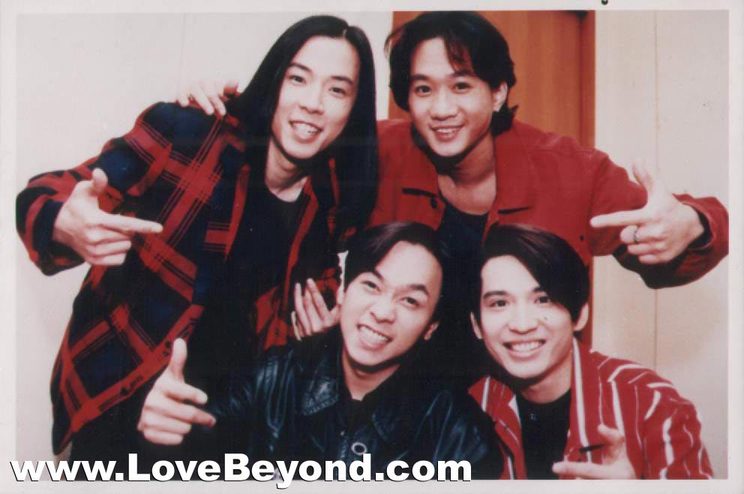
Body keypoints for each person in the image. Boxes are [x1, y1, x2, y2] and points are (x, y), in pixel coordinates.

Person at [182, 11, 728, 382]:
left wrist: (692, 224)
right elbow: (288, 143)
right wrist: (220, 111)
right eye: (423, 89)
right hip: (403, 405)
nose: (441, 109)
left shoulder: (569, 169)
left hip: (521, 402)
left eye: (461, 85)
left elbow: (678, 233)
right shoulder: (379, 152)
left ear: (499, 92)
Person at [15, 15, 378, 463]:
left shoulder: (331, 200)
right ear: (273, 81)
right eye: (298, 79)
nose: (313, 103)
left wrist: (318, 340)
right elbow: (44, 194)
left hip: (227, 431)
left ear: (353, 110)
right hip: (120, 406)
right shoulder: (191, 134)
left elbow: (300, 316)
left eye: (337, 90)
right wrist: (62, 223)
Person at [138, 222, 503, 477]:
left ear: (431, 327)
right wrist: (161, 434)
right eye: (371, 285)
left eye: (410, 301)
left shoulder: (460, 436)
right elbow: (186, 457)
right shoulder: (275, 378)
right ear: (343, 292)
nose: (382, 312)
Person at [469, 224, 713, 479]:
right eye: (499, 303)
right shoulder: (470, 408)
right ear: (476, 325)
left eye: (543, 299)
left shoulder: (652, 403)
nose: (522, 325)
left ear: (580, 314)